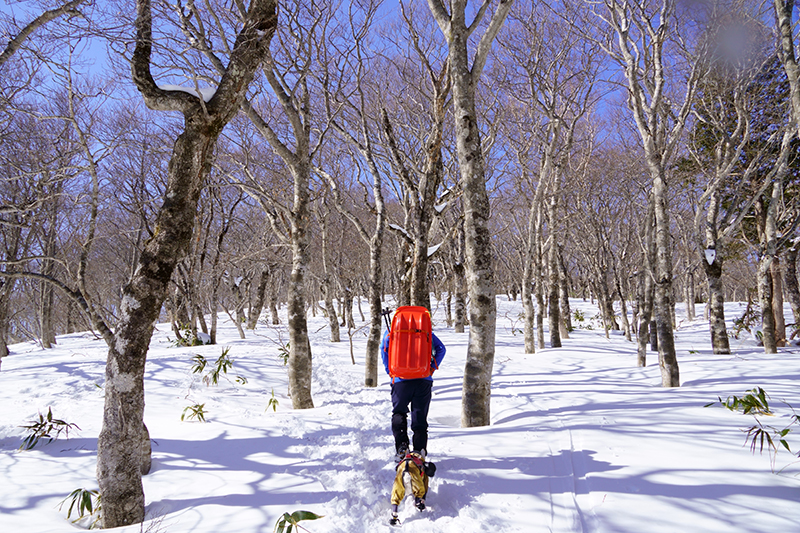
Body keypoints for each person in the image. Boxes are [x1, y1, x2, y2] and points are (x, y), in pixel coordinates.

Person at [381, 328, 446, 460]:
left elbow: (384, 350)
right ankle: (419, 451)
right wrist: (431, 368)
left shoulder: (391, 331)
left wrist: (390, 371)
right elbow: (441, 349)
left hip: (400, 380)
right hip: (423, 380)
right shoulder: (426, 331)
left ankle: (402, 447)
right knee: (420, 417)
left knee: (399, 412)